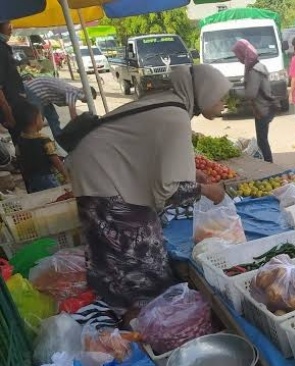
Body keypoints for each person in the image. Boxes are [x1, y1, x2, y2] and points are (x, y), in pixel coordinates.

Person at [65, 64, 231, 314]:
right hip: (100, 178)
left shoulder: (172, 104)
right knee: (137, 251)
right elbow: (168, 192)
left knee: (141, 245)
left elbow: (146, 153)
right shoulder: (175, 117)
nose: (223, 102)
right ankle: (139, 319)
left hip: (100, 169)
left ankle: (137, 315)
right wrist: (207, 191)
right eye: (220, 96)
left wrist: (190, 175)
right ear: (204, 93)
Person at [232, 39, 275, 163]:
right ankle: (268, 163)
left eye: (238, 55)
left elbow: (251, 93)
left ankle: (268, 164)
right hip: (266, 106)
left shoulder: (254, 69)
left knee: (262, 140)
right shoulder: (258, 65)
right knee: (263, 138)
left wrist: (233, 93)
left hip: (262, 109)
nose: (238, 58)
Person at [13, 99, 67, 193]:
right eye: (41, 116)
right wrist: (66, 175)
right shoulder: (44, 139)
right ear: (36, 121)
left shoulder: (20, 139)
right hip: (47, 178)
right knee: (56, 196)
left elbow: (19, 158)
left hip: (31, 179)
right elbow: (55, 160)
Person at [24, 75, 97, 143]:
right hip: (34, 90)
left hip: (44, 97)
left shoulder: (73, 91)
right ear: (86, 93)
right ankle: (32, 143)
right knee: (36, 121)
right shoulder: (74, 92)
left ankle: (61, 141)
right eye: (90, 99)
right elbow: (73, 117)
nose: (88, 102)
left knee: (53, 119)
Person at [0, 21, 27, 147]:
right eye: (7, 24)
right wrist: (8, 113)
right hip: (11, 108)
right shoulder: (0, 49)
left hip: (15, 105)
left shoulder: (3, 47)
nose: (11, 28)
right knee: (23, 142)